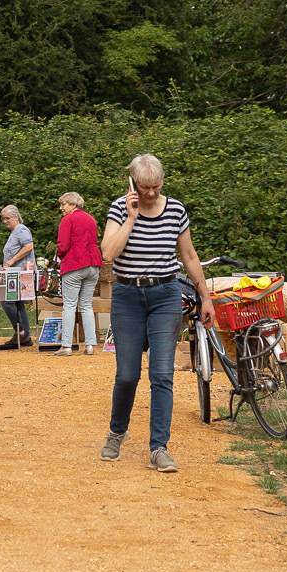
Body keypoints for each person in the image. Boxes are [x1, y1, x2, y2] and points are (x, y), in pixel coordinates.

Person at [100, 154, 216, 473]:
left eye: (155, 186)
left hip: (165, 295)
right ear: (133, 184)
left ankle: (158, 447)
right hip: (127, 296)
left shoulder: (176, 210)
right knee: (127, 375)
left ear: (162, 182)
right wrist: (130, 219)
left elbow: (189, 256)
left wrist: (205, 297)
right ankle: (116, 432)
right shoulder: (118, 208)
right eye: (143, 186)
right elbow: (108, 253)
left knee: (162, 374)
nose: (150, 193)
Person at [51, 192, 102, 356]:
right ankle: (90, 345)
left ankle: (66, 346)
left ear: (73, 204)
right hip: (93, 264)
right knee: (86, 305)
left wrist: (59, 256)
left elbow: (63, 245)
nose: (61, 208)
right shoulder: (91, 219)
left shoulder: (67, 220)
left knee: (70, 305)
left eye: (63, 204)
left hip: (74, 264)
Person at [0, 204, 36, 351]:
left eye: (7, 218)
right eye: (3, 218)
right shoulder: (15, 231)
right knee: (17, 303)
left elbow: (29, 246)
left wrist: (11, 261)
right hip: (15, 273)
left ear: (15, 217)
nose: (5, 221)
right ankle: (23, 335)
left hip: (20, 273)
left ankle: (20, 331)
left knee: (7, 301)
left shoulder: (21, 229)